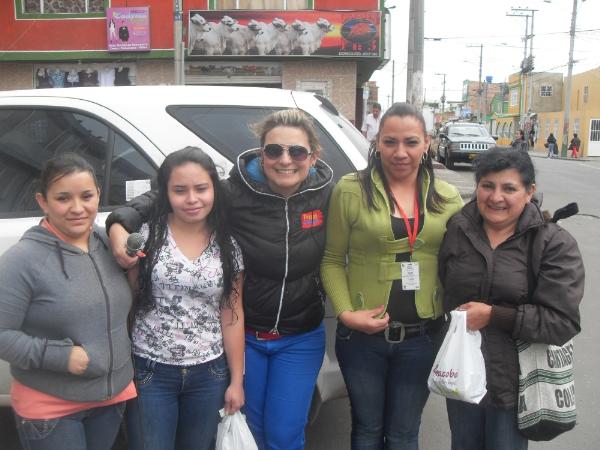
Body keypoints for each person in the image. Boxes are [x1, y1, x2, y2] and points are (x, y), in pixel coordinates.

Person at [105, 109, 333, 450]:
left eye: (297, 151)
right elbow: (168, 193)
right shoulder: (232, 193)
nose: (285, 160)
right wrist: (119, 223)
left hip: (299, 334)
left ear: (313, 157)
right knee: (248, 431)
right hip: (248, 333)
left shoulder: (327, 194)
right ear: (261, 153)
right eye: (274, 150)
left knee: (285, 435)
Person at [321, 102, 463, 449]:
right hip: (362, 340)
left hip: (422, 337)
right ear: (377, 142)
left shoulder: (447, 197)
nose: (400, 152)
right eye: (390, 142)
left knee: (404, 433)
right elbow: (332, 259)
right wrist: (346, 314)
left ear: (427, 142)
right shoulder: (350, 190)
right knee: (367, 429)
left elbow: (463, 261)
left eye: (411, 142)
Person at [438, 147, 584, 450]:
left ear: (529, 192)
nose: (496, 197)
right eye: (487, 185)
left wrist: (494, 315)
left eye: (509, 188)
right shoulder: (458, 228)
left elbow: (561, 322)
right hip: (462, 377)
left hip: (515, 386)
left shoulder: (552, 243)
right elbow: (445, 288)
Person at [0, 153, 136, 450]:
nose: (77, 208)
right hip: (51, 407)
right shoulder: (22, 260)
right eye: (63, 198)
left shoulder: (108, 245)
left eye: (86, 196)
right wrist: (59, 356)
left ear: (98, 194)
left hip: (110, 399)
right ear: (43, 201)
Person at [122, 147, 245, 450]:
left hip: (209, 373)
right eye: (180, 190)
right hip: (150, 370)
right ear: (165, 192)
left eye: (201, 188)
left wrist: (236, 381)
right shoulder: (146, 236)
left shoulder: (228, 245)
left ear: (214, 189)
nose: (192, 199)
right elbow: (128, 301)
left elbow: (232, 313)